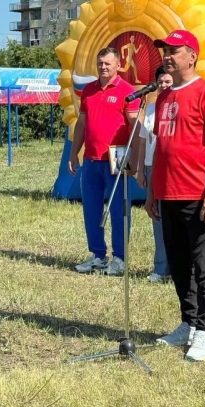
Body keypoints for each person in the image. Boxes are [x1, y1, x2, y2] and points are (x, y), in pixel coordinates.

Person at [145, 29, 205, 362]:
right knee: (179, 264)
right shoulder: (164, 95)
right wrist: (153, 190)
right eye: (164, 51)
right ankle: (188, 321)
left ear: (191, 56)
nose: (167, 56)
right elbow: (162, 148)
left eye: (174, 50)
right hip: (167, 193)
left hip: (198, 194)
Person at [69, 47, 140, 276]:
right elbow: (81, 124)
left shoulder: (127, 91)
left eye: (108, 63)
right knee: (91, 209)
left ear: (118, 65)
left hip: (117, 158)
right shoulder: (89, 90)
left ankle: (120, 257)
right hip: (91, 159)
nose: (103, 67)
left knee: (119, 210)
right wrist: (74, 153)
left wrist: (134, 158)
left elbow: (134, 127)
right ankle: (98, 255)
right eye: (100, 63)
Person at [136, 66, 175, 283]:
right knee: (157, 218)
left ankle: (178, 268)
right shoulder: (150, 108)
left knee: (174, 219)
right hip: (152, 168)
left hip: (172, 169)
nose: (164, 86)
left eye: (168, 82)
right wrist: (141, 169)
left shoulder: (177, 106)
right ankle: (161, 269)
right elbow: (142, 141)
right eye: (161, 82)